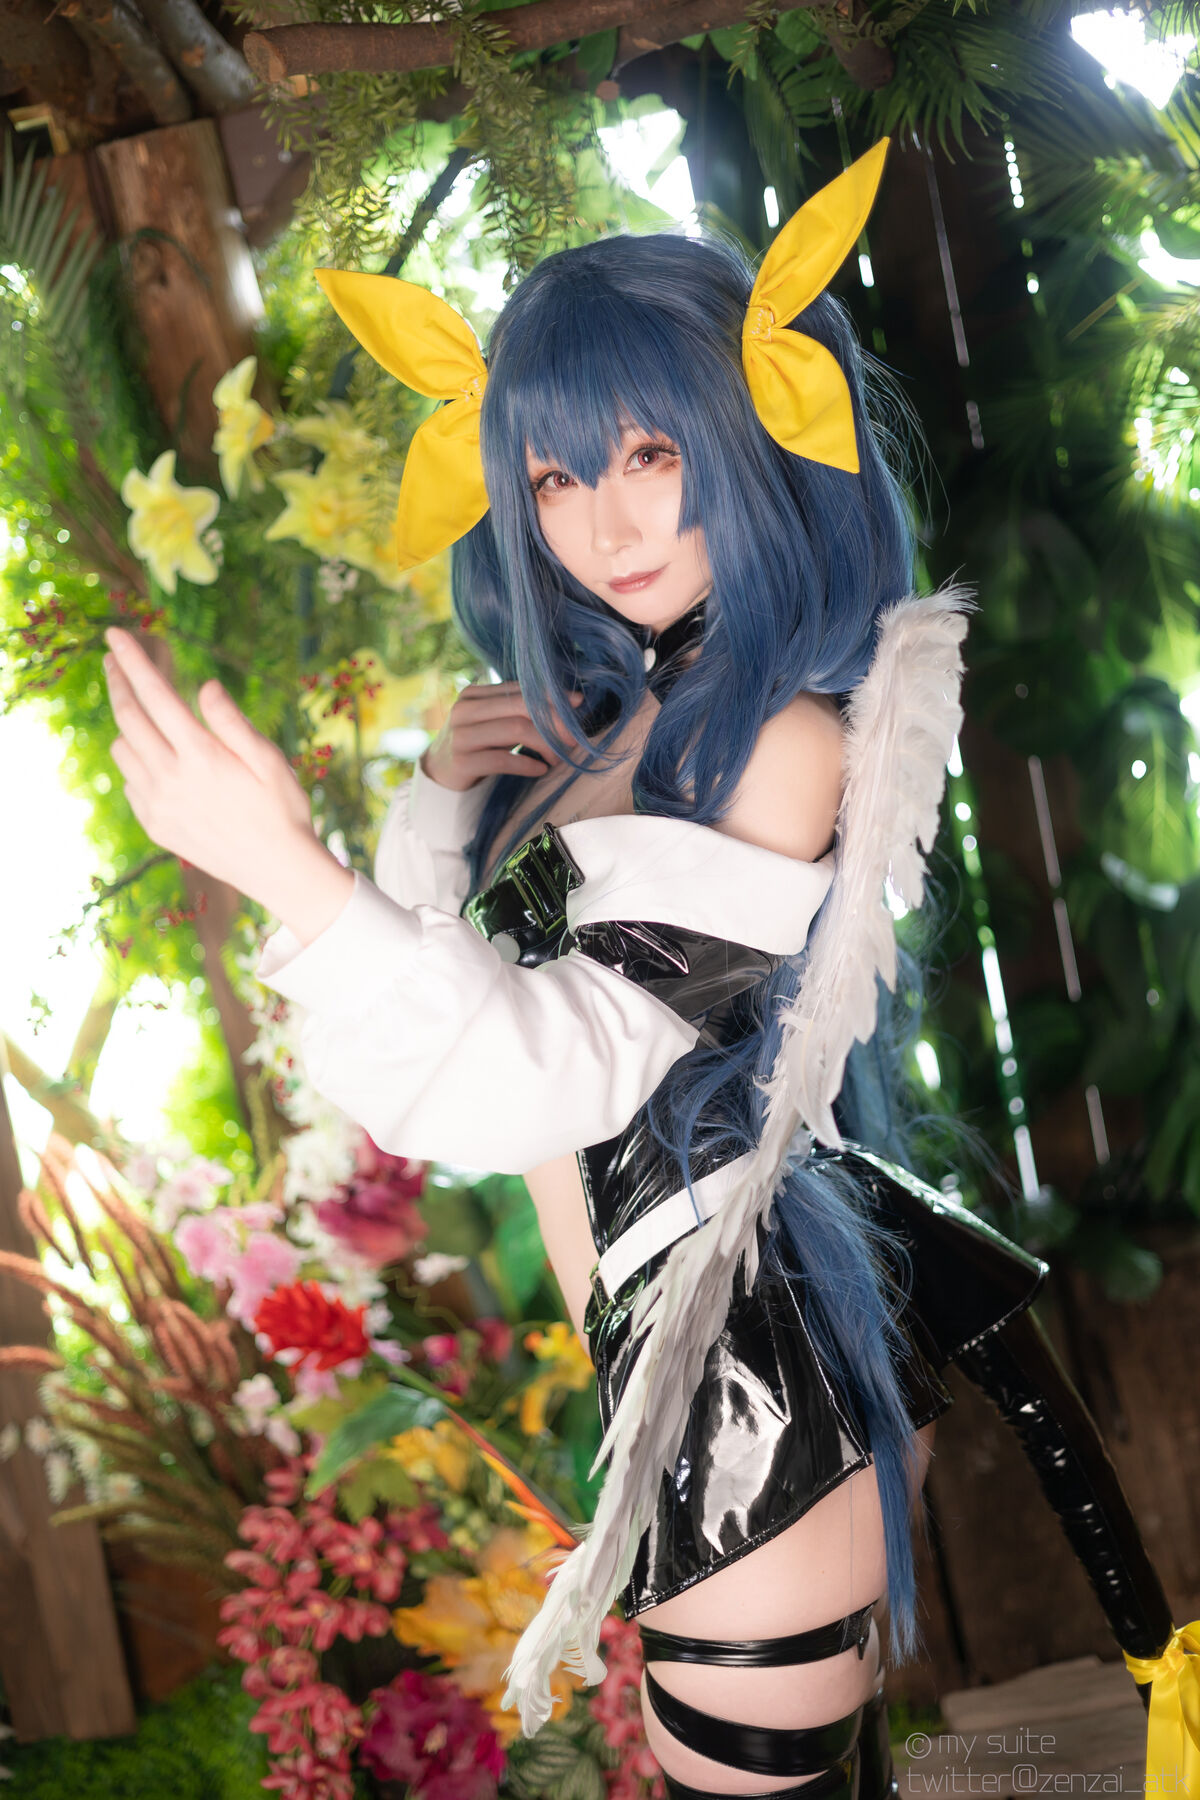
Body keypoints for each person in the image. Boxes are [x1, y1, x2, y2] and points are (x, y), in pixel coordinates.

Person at [103, 139, 1189, 1800]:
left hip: (746, 1378)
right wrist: (433, 807)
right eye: (550, 478)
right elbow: (429, 1060)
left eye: (648, 455)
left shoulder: (782, 744)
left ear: (751, 443)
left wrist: (292, 872)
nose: (599, 524)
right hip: (663, 1361)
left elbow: (547, 1068)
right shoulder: (615, 735)